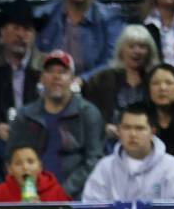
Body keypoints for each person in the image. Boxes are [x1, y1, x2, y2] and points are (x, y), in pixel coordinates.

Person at [6, 50, 106, 199]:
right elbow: (10, 157)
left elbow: (94, 160)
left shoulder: (88, 113)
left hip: (74, 194)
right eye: (50, 71)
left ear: (72, 79)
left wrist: (62, 192)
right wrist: (29, 191)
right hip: (30, 192)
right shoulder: (25, 116)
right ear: (41, 78)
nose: (56, 77)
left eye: (63, 72)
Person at [34, 0, 123, 82]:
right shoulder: (44, 15)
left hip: (93, 88)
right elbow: (35, 54)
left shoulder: (109, 19)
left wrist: (83, 80)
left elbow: (111, 61)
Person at [0, 2, 46, 142]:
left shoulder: (47, 68)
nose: (20, 35)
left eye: (27, 29)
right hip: (2, 139)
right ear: (2, 32)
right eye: (15, 28)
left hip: (41, 136)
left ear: (34, 35)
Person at [83, 24, 159, 142]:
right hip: (107, 143)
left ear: (149, 52)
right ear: (121, 49)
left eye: (142, 47)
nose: (137, 51)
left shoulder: (156, 80)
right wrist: (102, 127)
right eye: (131, 46)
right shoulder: (101, 80)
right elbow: (88, 114)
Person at [0, 144, 71, 202]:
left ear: (40, 166)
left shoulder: (55, 190)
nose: (25, 167)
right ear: (9, 169)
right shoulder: (0, 192)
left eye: (30, 162)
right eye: (18, 163)